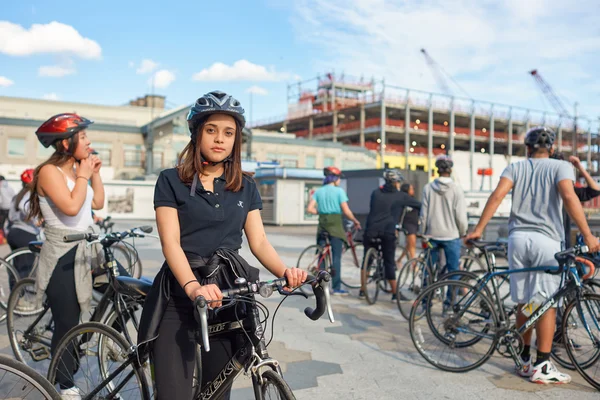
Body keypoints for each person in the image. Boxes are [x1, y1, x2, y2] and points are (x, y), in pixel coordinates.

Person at [137, 91, 307, 400]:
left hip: (228, 295)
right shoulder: (170, 180)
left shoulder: (245, 185)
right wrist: (192, 287)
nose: (220, 139)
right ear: (197, 133)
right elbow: (171, 244)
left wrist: (287, 272)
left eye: (228, 132)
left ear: (236, 140)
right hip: (180, 294)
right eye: (211, 130)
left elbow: (259, 242)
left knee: (217, 394)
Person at [464, 126, 600, 384]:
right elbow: (569, 196)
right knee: (547, 303)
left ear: (527, 148)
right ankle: (543, 364)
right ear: (551, 148)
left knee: (525, 300)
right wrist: (589, 235)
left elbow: (497, 196)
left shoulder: (515, 167)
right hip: (546, 241)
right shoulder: (560, 167)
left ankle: (524, 359)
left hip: (517, 240)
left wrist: (478, 229)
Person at [28, 113, 105, 399]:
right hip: (62, 251)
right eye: (83, 137)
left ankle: (94, 342)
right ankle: (63, 382)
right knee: (68, 321)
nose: (88, 142)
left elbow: (97, 202)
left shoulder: (77, 170)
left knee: (126, 291)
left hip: (88, 247)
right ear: (64, 143)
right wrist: (84, 174)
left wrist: (93, 173)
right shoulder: (50, 172)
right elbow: (72, 208)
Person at [362, 170, 421, 300]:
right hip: (387, 231)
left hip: (370, 230)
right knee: (388, 261)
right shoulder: (401, 196)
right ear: (395, 183)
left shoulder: (375, 193)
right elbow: (420, 205)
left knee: (366, 261)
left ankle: (362, 290)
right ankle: (395, 294)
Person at [306, 166, 361, 295]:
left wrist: (320, 211)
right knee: (336, 257)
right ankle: (336, 288)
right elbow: (346, 211)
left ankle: (320, 286)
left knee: (322, 256)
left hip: (322, 226)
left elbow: (309, 209)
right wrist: (355, 221)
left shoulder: (319, 192)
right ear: (335, 178)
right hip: (335, 226)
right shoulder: (339, 192)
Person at [419, 155, 468, 281]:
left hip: (432, 234)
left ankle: (426, 300)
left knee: (428, 269)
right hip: (451, 235)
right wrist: (463, 232)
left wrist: (422, 233)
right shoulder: (457, 189)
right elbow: (460, 215)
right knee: (453, 271)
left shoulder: (428, 188)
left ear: (437, 170)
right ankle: (450, 301)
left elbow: (423, 214)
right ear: (450, 170)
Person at [6, 169, 40, 284]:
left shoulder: (17, 196)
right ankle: (20, 296)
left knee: (16, 267)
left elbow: (10, 216)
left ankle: (13, 294)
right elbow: (23, 206)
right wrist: (34, 219)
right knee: (25, 267)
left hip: (14, 232)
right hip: (26, 234)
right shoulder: (30, 194)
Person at [398, 182, 419, 263]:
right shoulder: (403, 200)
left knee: (409, 245)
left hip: (414, 224)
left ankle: (399, 260)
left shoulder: (413, 201)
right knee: (412, 244)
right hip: (408, 224)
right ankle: (414, 265)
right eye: (411, 189)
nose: (413, 190)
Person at [0, 175, 16, 244]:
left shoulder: (0, 187)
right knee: (10, 224)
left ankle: (2, 238)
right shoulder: (10, 187)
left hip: (2, 208)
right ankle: (9, 237)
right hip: (10, 208)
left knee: (1, 224)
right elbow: (14, 197)